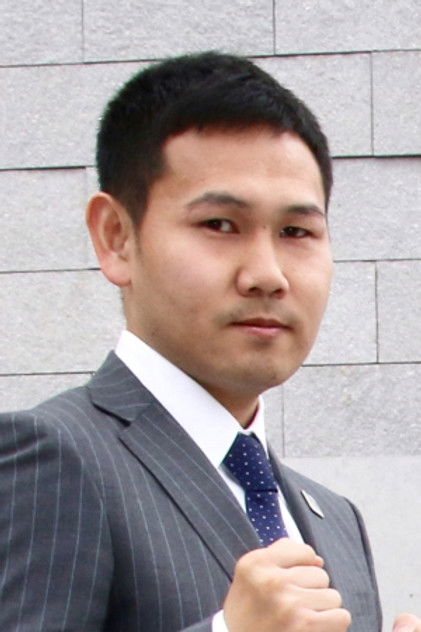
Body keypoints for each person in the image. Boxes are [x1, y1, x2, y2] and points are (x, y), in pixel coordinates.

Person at [0, 51, 419, 632]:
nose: (267, 274)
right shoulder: (54, 457)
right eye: (220, 225)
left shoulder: (336, 519)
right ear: (117, 237)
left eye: (296, 231)